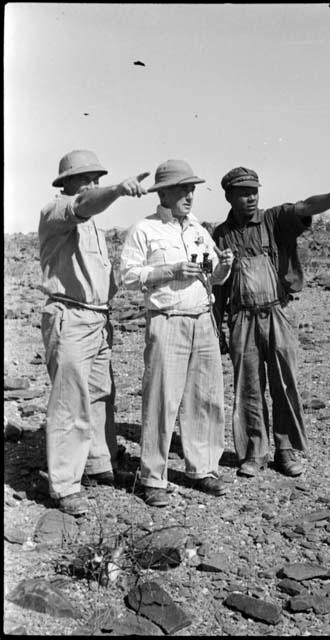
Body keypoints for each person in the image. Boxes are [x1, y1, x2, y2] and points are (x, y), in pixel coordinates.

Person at [213, 166, 330, 479]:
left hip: (277, 314)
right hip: (242, 318)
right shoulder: (219, 234)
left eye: (254, 191)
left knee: (285, 383)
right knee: (248, 387)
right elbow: (218, 286)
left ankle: (286, 450)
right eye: (243, 192)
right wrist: (218, 324)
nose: (250, 197)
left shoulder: (274, 220)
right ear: (229, 196)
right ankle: (255, 452)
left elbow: (307, 206)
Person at [39, 149, 150, 516]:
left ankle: (99, 464)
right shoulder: (58, 211)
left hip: (97, 320)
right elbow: (85, 203)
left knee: (101, 395)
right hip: (70, 317)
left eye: (97, 178)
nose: (92, 184)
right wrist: (118, 190)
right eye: (84, 178)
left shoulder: (94, 227)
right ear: (66, 183)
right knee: (69, 401)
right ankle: (65, 485)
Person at [120, 159, 234, 507]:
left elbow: (212, 276)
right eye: (183, 188)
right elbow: (127, 276)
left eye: (192, 188)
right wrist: (168, 270)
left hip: (202, 319)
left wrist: (224, 268)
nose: (190, 195)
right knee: (161, 398)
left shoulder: (199, 230)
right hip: (168, 319)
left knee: (206, 397)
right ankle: (153, 478)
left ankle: (204, 470)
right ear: (163, 192)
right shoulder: (145, 230)